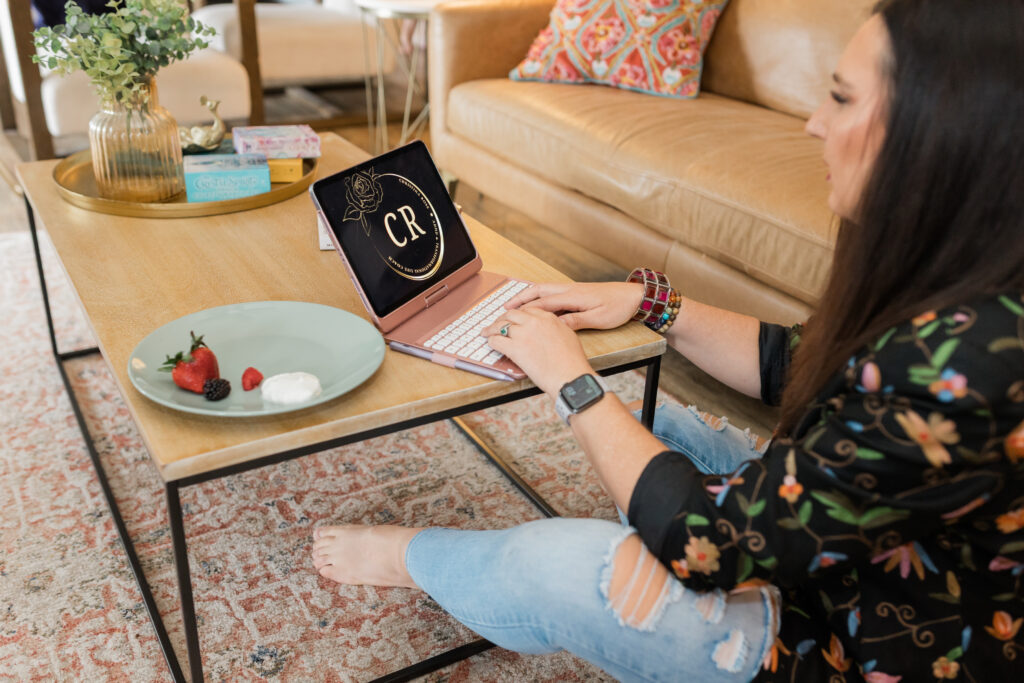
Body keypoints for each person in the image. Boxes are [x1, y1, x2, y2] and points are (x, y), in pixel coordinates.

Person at [311, 0, 1024, 678]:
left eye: (840, 98)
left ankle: (413, 558)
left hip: (855, 644)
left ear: (941, 132)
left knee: (560, 562)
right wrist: (652, 302)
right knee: (650, 417)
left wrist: (574, 382)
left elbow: (705, 547)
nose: (812, 122)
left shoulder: (965, 366)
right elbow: (800, 360)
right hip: (850, 562)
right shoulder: (963, 280)